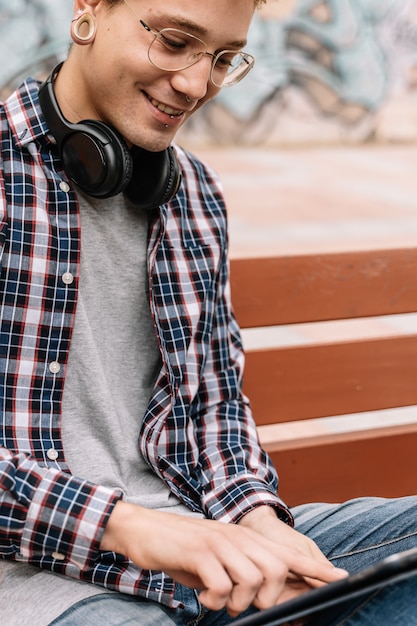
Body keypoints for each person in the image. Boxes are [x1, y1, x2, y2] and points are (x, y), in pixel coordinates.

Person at [1, 1, 417, 625]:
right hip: (38, 579)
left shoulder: (192, 193)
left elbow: (215, 406)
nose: (197, 85)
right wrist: (130, 527)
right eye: (173, 42)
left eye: (223, 59)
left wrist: (257, 518)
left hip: (210, 553)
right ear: (87, 9)